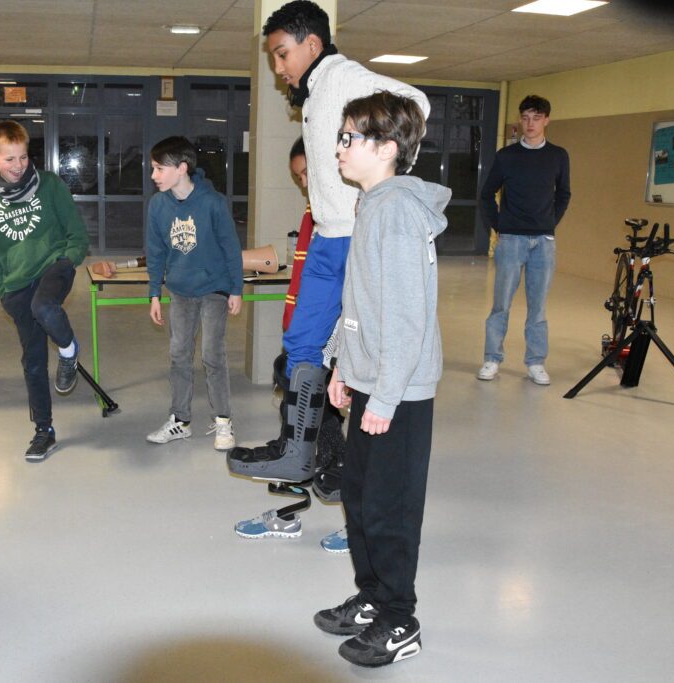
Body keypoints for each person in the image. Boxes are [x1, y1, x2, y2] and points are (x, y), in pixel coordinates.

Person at [229, 0, 429, 495]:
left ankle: (346, 462)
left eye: (282, 55)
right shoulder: (318, 90)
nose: (278, 68)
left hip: (350, 239)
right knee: (301, 344)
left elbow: (416, 101)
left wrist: (384, 177)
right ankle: (297, 450)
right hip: (325, 235)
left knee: (356, 356)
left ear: (312, 44)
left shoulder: (342, 78)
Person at [317, 91, 449, 668]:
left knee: (390, 510)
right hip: (373, 378)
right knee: (361, 499)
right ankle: (373, 599)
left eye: (350, 138)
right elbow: (361, 304)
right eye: (341, 136)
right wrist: (344, 364)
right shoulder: (371, 203)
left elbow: (405, 315)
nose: (339, 147)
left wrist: (386, 394)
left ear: (387, 148)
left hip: (400, 388)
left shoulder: (395, 210)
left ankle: (400, 618)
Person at [233, 138, 348, 553]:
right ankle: (288, 514)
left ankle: (358, 524)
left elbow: (343, 292)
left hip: (329, 347)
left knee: (330, 444)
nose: (304, 183)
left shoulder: (345, 215)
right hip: (303, 340)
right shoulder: (314, 211)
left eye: (308, 174)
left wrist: (336, 357)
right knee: (296, 436)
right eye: (298, 177)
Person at [0, 120, 89, 462]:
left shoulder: (50, 185)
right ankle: (44, 431)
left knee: (45, 307)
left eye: (23, 157)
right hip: (16, 284)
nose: (18, 166)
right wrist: (4, 289)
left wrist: (69, 258)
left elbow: (77, 234)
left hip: (53, 267)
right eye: (9, 159)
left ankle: (69, 352)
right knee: (33, 361)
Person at [144, 136, 243, 450]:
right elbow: (156, 251)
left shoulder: (212, 202)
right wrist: (154, 294)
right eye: (153, 169)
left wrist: (236, 289)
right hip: (180, 291)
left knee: (212, 355)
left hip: (214, 287)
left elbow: (231, 246)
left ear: (181, 168)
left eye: (160, 168)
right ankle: (180, 421)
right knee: (179, 355)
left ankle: (224, 422)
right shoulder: (158, 205)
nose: (154, 175)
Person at [477, 94, 571, 385]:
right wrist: (500, 227)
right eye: (526, 117)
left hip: (543, 242)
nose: (530, 124)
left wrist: (549, 223)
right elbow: (486, 194)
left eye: (537, 118)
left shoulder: (558, 156)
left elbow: (564, 194)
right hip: (511, 240)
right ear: (521, 120)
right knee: (501, 304)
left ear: (546, 121)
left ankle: (535, 362)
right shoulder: (507, 156)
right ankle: (492, 359)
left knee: (538, 307)